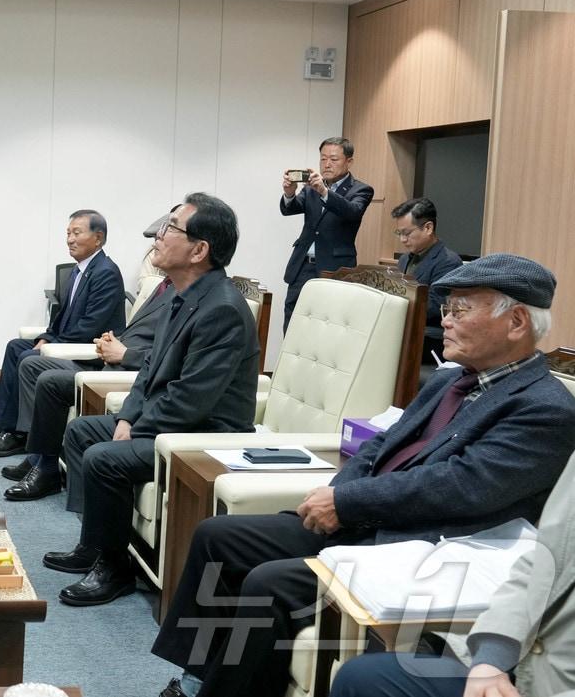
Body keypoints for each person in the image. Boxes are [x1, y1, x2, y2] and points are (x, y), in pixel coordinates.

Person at [150, 253, 575, 697]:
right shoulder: (453, 378)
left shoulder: (544, 409)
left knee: (268, 584)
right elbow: (381, 446)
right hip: (366, 519)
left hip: (416, 548)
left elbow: (459, 487)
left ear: (518, 321)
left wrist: (347, 504)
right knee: (220, 537)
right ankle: (197, 677)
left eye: (461, 309)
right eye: (447, 308)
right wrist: (336, 496)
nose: (445, 321)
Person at [42, 194, 259, 606]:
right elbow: (149, 373)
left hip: (205, 435)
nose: (157, 237)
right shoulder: (180, 294)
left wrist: (136, 428)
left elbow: (190, 399)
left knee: (105, 458)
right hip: (170, 421)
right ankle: (96, 546)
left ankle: (115, 569)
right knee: (83, 432)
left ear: (199, 250)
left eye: (170, 229)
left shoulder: (222, 309)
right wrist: (128, 419)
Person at [329, 449, 575, 697]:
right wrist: (492, 657)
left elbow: (464, 482)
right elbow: (541, 561)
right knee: (363, 678)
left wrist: (345, 500)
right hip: (521, 663)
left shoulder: (548, 413)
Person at [0, 211, 179, 501]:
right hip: (111, 355)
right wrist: (114, 342)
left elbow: (169, 356)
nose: (154, 242)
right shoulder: (162, 286)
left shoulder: (188, 298)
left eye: (163, 235)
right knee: (28, 358)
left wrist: (125, 353)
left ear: (198, 249)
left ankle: (41, 463)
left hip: (122, 368)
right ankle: (36, 458)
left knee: (39, 370)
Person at [0, 210, 125, 458]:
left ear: (98, 238)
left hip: (90, 352)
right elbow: (61, 317)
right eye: (68, 233)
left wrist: (49, 344)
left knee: (27, 357)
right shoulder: (77, 271)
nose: (70, 239)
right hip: (68, 342)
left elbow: (90, 327)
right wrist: (46, 337)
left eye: (77, 233)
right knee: (16, 347)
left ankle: (22, 435)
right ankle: (3, 421)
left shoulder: (105, 272)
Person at [280, 137, 374, 329]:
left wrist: (324, 192)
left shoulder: (361, 189)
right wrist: (289, 193)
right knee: (293, 318)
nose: (327, 164)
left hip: (334, 267)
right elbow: (290, 208)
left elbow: (352, 211)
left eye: (333, 159)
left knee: (327, 322)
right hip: (302, 266)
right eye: (323, 159)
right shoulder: (311, 187)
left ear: (349, 161)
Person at [392, 197, 463, 364]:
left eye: (407, 233)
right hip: (404, 328)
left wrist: (395, 303)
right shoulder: (404, 259)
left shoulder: (448, 261)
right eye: (399, 233)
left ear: (428, 228)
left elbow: (435, 308)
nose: (402, 239)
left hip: (429, 337)